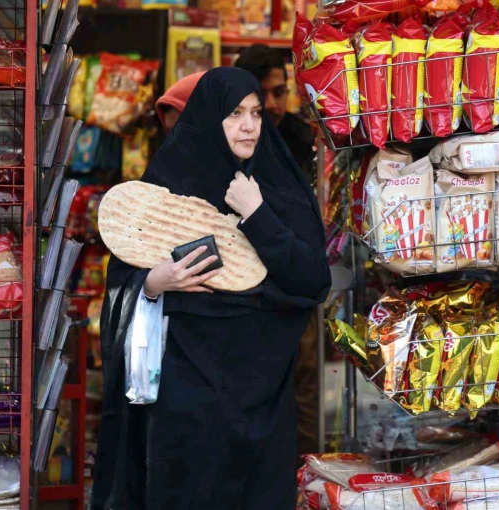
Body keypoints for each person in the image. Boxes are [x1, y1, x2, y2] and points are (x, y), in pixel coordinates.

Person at [91, 67, 330, 510]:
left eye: (256, 113)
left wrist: (256, 213)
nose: (249, 126)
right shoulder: (167, 186)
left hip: (263, 394)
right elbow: (123, 275)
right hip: (187, 397)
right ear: (206, 118)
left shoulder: (276, 186)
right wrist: (153, 283)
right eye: (234, 113)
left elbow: (313, 281)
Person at [235, 43, 321, 459]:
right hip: (242, 299)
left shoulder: (300, 139)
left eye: (280, 92)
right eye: (258, 98)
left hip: (294, 288)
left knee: (303, 383)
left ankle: (304, 477)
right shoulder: (228, 148)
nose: (271, 106)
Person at [234, 44, 315, 176]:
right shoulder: (221, 138)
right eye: (260, 94)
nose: (271, 104)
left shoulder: (304, 139)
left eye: (279, 92)